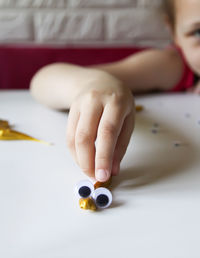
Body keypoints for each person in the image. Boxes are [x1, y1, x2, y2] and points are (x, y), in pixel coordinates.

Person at [30, 0, 200, 183]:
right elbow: (43, 79)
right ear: (174, 32)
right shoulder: (172, 66)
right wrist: (97, 83)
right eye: (198, 32)